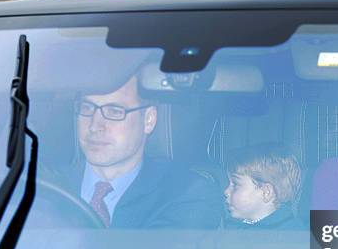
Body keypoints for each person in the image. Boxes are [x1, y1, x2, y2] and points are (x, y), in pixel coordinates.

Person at [50, 74, 223, 229]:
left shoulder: (187, 193)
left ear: (149, 120)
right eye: (87, 108)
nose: (95, 126)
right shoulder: (42, 188)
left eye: (114, 112)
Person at [223, 145, 303, 230]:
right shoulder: (235, 226)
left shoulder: (290, 234)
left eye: (235, 185)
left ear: (266, 192)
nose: (226, 191)